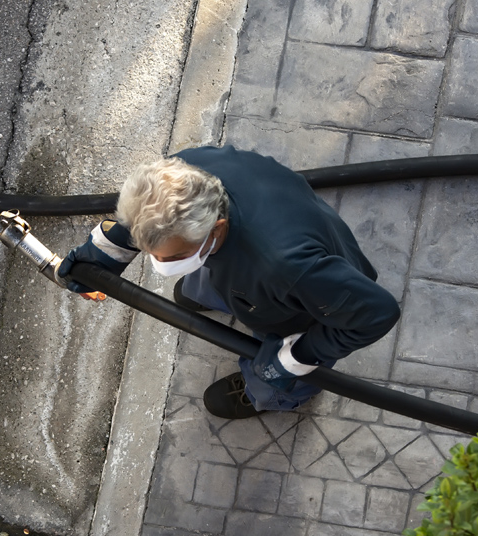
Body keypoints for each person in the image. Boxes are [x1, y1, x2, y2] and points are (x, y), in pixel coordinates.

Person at [57, 146, 400, 419]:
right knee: (205, 283)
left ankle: (275, 395)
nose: (159, 264)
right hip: (242, 274)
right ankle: (219, 297)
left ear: (217, 228)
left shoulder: (285, 267)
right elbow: (144, 220)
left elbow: (377, 314)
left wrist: (294, 357)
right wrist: (98, 256)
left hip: (299, 304)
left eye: (173, 257)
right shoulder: (188, 171)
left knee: (275, 374)